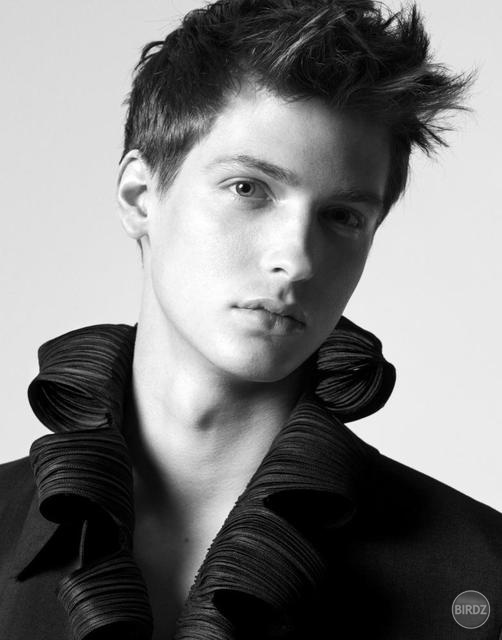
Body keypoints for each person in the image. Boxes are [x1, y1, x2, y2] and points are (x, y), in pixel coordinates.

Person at [1, 0, 501, 638]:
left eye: (342, 217)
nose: (296, 259)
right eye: (248, 189)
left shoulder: (481, 579)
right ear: (140, 197)